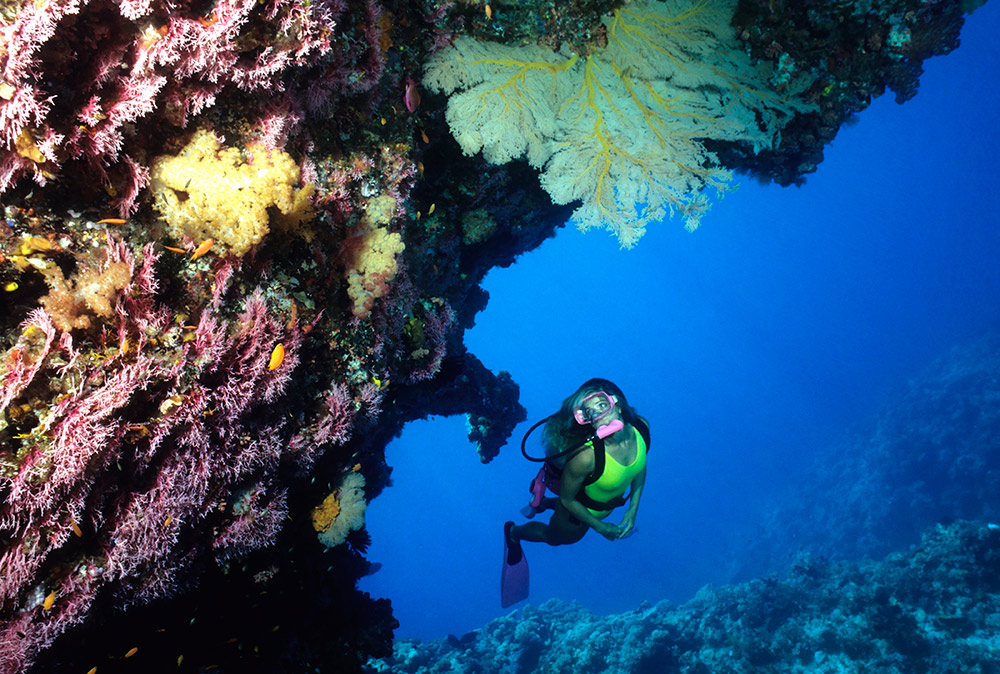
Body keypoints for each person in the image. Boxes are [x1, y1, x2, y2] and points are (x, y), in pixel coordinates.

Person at [501, 378, 650, 606]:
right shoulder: (585, 457)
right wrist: (600, 527)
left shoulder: (641, 428)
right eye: (589, 414)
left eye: (602, 405)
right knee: (557, 538)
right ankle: (514, 533)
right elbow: (568, 500)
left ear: (618, 405)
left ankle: (542, 504)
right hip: (575, 514)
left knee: (568, 505)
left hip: (604, 505)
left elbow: (639, 466)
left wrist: (633, 508)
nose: (598, 416)